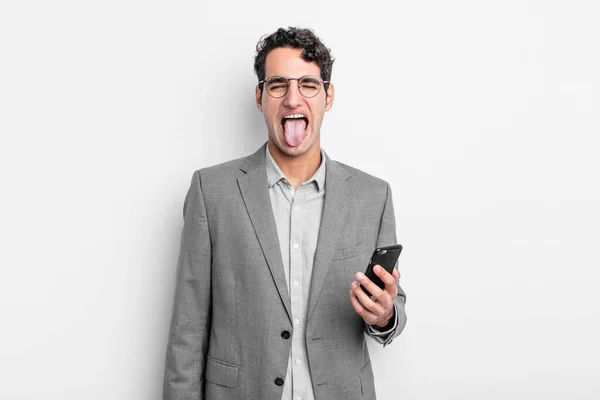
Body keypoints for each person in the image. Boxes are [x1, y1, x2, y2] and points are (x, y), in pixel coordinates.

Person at [163, 27, 407, 400]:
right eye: (278, 84)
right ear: (260, 96)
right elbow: (187, 330)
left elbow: (395, 306)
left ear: (328, 96)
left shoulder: (372, 195)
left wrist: (384, 316)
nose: (293, 99)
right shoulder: (212, 191)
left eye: (308, 84)